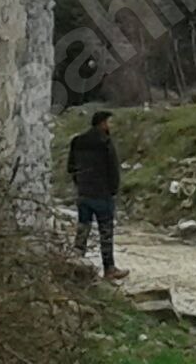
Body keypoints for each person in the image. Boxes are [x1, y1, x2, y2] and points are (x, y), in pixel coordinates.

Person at [67, 110, 129, 281]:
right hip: (102, 195)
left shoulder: (77, 141)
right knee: (106, 233)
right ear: (102, 123)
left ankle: (76, 266)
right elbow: (113, 170)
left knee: (82, 230)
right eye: (109, 122)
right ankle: (109, 269)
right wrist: (113, 190)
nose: (111, 126)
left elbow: (70, 168)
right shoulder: (105, 142)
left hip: (84, 193)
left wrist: (80, 183)